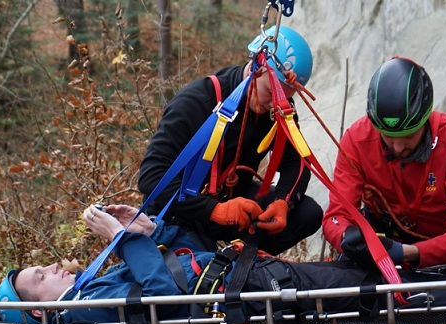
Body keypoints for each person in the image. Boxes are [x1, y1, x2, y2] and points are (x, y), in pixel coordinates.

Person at [0, 204, 446, 324]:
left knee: (360, 277)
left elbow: (176, 260)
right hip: (248, 286)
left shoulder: (92, 286)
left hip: (244, 273)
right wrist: (128, 243)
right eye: (39, 280)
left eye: (40, 267)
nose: (50, 269)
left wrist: (149, 230)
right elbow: (164, 303)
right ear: (39, 313)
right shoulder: (84, 311)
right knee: (366, 288)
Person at [137, 26, 323, 256]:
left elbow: (297, 163)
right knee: (192, 273)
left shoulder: (279, 109)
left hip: (235, 204)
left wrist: (283, 202)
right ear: (256, 69)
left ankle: (241, 263)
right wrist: (214, 210)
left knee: (308, 214)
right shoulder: (197, 101)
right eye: (269, 92)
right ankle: (214, 261)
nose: (274, 104)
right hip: (181, 210)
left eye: (285, 97)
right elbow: (151, 177)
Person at [322, 56, 446, 270]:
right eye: (388, 137)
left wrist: (408, 253)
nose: (398, 147)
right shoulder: (357, 139)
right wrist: (348, 236)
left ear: (425, 119)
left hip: (443, 252)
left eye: (408, 136)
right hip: (378, 247)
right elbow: (336, 217)